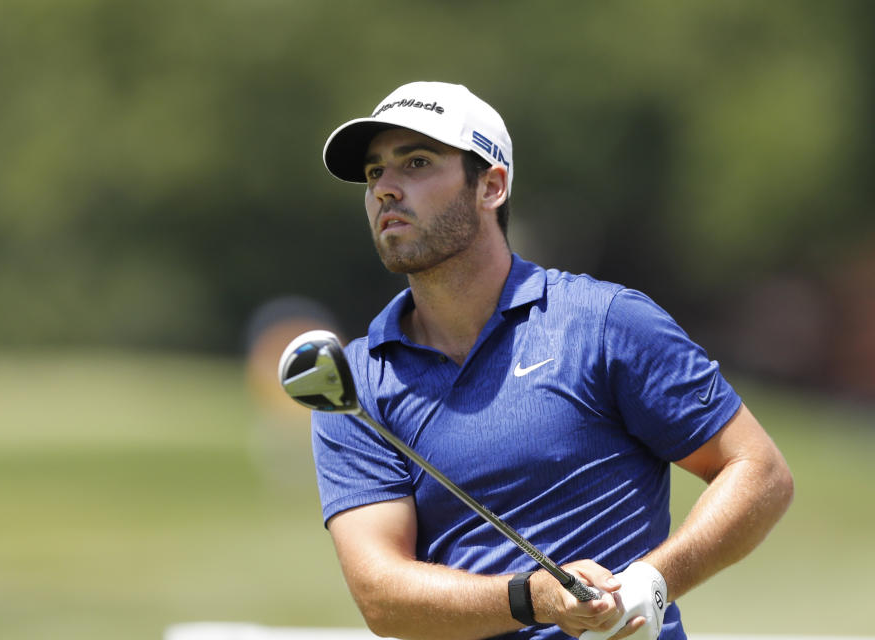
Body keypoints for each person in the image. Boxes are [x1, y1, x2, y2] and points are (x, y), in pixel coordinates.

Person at [310, 81, 793, 640]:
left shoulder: (605, 323)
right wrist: (533, 598)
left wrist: (651, 583)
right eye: (374, 173)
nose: (386, 190)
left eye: (416, 162)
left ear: (490, 186)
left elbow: (759, 473)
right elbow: (382, 598)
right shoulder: (356, 381)